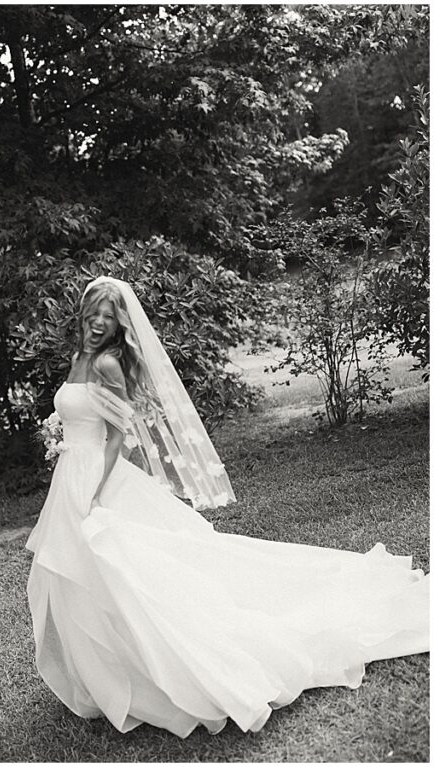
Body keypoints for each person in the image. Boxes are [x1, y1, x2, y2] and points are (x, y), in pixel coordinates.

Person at [26, 276, 430, 737]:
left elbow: (118, 436)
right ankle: (106, 675)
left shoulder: (109, 365)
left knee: (126, 572)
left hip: (95, 478)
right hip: (71, 474)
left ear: (118, 326)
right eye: (92, 314)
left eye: (107, 317)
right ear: (82, 316)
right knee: (85, 575)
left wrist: (94, 491)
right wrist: (60, 440)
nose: (98, 324)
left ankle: (152, 672)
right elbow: (82, 416)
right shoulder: (80, 357)